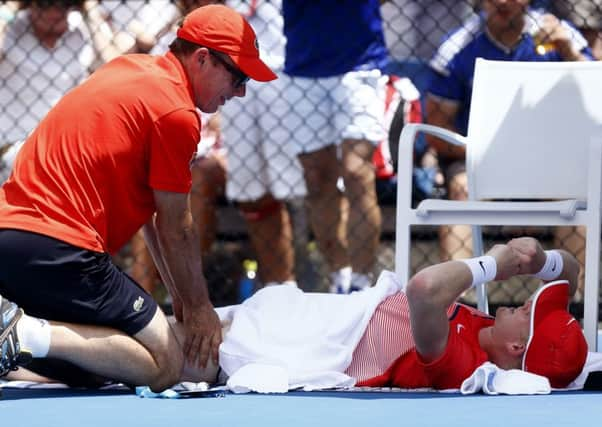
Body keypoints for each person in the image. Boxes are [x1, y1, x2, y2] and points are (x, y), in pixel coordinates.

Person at [0, 4, 276, 391]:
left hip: (10, 238)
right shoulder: (177, 112)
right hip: (62, 248)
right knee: (164, 366)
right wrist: (198, 309)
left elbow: (152, 219)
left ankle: (12, 341)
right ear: (202, 59)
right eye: (238, 76)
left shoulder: (128, 68)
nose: (242, 91)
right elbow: (177, 227)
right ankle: (24, 333)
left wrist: (181, 296)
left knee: (104, 362)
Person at [2, 237, 587, 391]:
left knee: (170, 358)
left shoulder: (458, 360)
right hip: (309, 317)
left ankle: (28, 336)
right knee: (163, 342)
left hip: (301, 349)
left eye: (526, 318)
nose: (516, 308)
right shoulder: (490, 335)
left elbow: (427, 287)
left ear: (517, 350)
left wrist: (498, 265)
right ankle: (23, 349)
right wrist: (551, 261)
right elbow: (576, 272)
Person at [425, 0, 593, 264]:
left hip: (552, 162)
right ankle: (458, 301)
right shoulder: (457, 47)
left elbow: (596, 98)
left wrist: (569, 53)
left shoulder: (560, 33)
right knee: (461, 189)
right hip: (482, 161)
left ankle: (571, 302)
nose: (502, 1)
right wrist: (493, 152)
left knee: (577, 197)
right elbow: (435, 130)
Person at [280, 1, 389, 293]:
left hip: (361, 62)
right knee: (317, 179)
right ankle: (340, 279)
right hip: (303, 64)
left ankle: (361, 283)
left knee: (357, 172)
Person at [219, 0, 306, 288]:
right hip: (232, 64)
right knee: (249, 186)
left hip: (288, 67)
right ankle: (278, 285)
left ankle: (326, 283)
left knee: (302, 185)